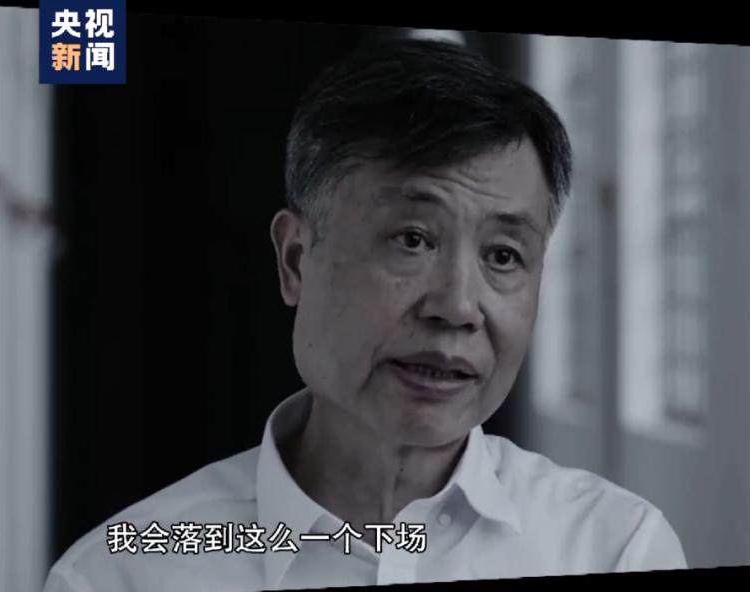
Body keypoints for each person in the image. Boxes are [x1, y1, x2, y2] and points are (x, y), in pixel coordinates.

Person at [43, 38, 686, 591]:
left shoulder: (615, 549)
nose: (457, 307)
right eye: (412, 239)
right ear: (296, 259)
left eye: (503, 255)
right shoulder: (123, 574)